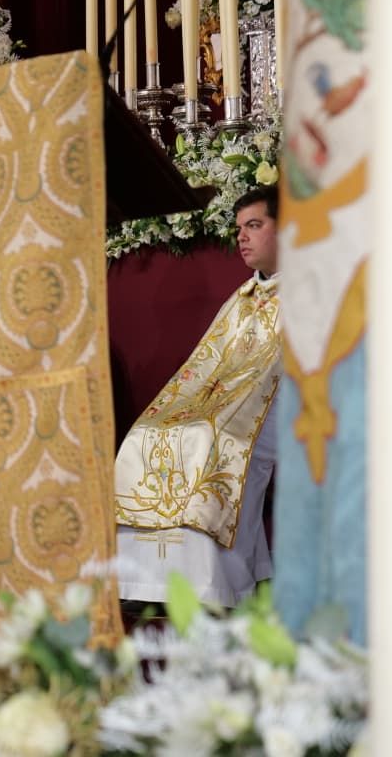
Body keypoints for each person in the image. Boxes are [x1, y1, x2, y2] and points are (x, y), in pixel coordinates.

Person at [113, 186, 282, 607]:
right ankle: (144, 583)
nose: (242, 237)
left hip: (285, 405)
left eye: (254, 225)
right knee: (146, 433)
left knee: (207, 439)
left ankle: (214, 585)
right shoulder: (242, 297)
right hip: (229, 404)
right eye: (239, 228)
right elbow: (205, 365)